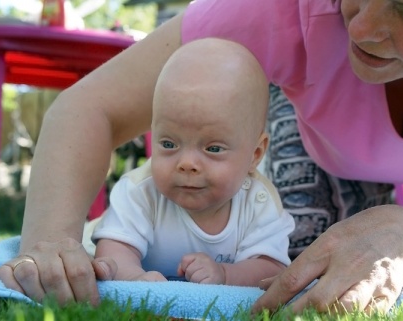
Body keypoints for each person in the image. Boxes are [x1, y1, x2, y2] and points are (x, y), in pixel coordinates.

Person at [0, 0, 403, 315]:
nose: (360, 26)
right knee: (310, 277)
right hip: (324, 150)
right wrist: (51, 243)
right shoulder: (284, 10)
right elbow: (89, 106)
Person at [90, 38, 295, 285]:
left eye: (213, 148)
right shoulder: (141, 191)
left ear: (255, 154)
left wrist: (225, 274)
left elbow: (270, 268)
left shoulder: (259, 204)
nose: (187, 163)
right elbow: (112, 252)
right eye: (168, 144)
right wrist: (135, 279)